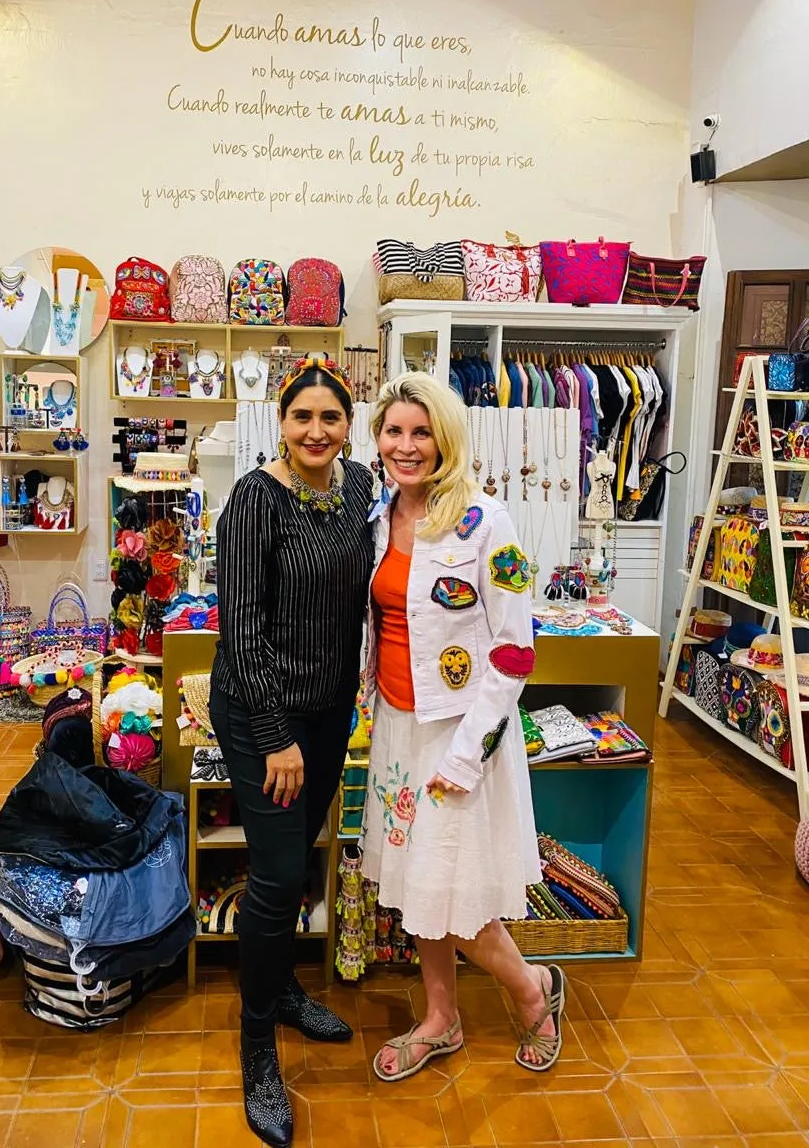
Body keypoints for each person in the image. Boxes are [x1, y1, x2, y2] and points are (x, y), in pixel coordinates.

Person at [361, 370, 566, 1082]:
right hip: (398, 728)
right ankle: (441, 1016)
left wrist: (469, 751)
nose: (406, 446)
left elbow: (514, 652)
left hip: (460, 735)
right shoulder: (378, 514)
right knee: (421, 886)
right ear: (377, 438)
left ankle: (531, 990)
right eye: (393, 431)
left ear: (446, 439)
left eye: (421, 432)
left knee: (461, 890)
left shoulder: (487, 521)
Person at [209, 354, 374, 1147]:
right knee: (276, 879)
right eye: (302, 416)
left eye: (331, 417)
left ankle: (278, 991)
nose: (316, 430)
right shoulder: (253, 502)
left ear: (349, 425)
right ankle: (257, 1050)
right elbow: (238, 628)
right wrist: (274, 734)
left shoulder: (361, 489)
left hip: (330, 710)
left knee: (299, 855)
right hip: (259, 712)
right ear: (281, 421)